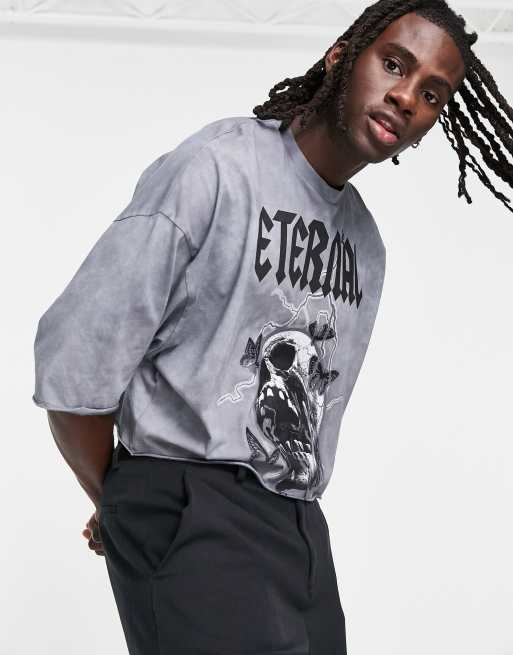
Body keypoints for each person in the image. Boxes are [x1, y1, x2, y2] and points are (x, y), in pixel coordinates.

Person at [31, 0, 513, 653]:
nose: (405, 97)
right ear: (341, 57)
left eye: (431, 94)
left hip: (298, 523)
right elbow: (75, 357)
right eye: (394, 65)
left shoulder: (364, 246)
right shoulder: (217, 169)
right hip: (191, 505)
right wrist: (123, 498)